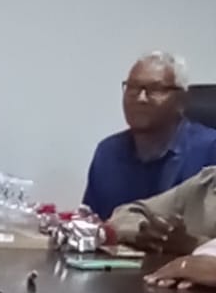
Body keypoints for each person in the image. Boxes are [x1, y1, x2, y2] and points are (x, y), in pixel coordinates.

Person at [82, 52, 216, 220]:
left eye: (155, 89)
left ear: (181, 100)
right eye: (133, 88)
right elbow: (91, 223)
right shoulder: (108, 152)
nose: (141, 98)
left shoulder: (209, 150)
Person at [105, 164, 216, 255]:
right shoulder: (205, 184)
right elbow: (124, 213)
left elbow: (187, 244)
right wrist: (144, 230)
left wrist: (195, 245)